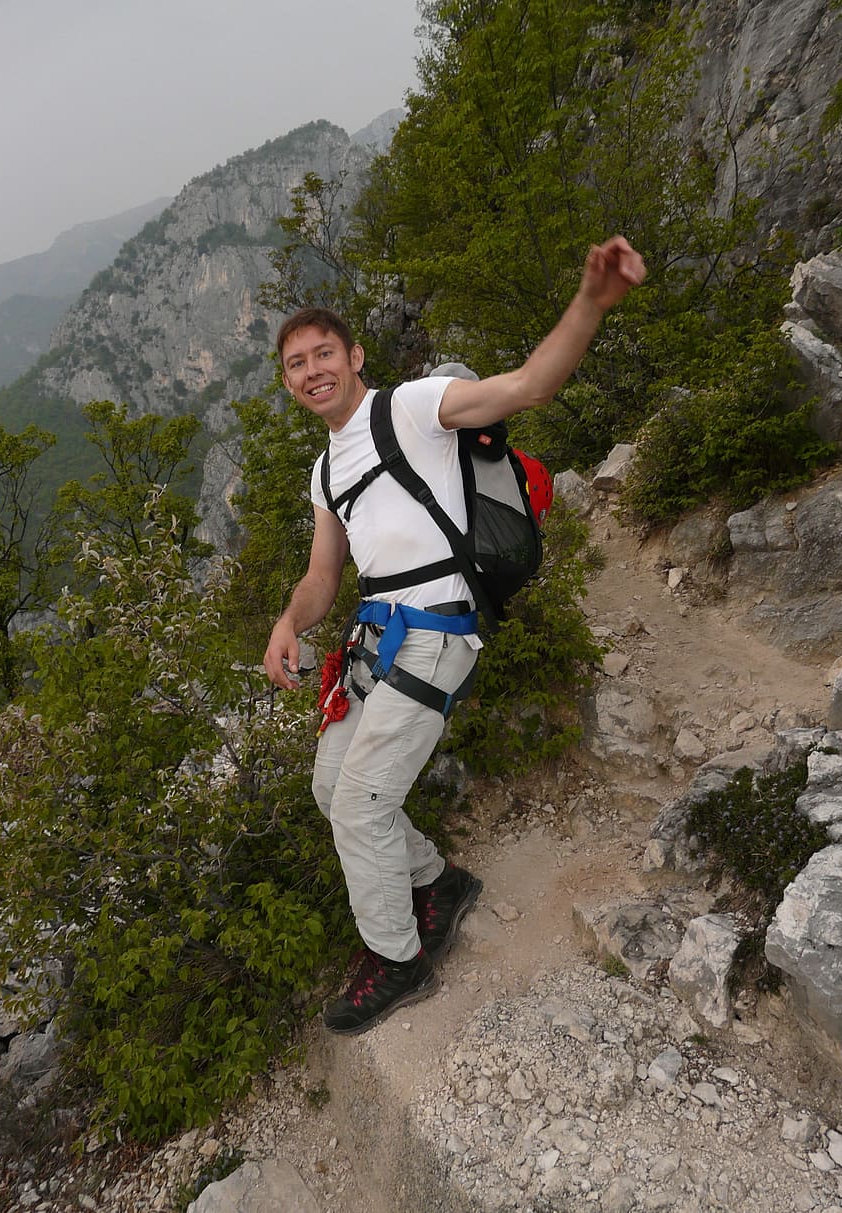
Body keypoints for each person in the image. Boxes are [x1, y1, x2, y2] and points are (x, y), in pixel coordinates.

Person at [264, 236, 646, 1035]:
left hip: (436, 634)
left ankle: (398, 959)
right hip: (380, 642)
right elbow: (322, 575)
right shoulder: (325, 470)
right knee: (332, 789)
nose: (311, 371)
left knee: (363, 805)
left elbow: (531, 386)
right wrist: (289, 621)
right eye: (295, 363)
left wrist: (590, 302)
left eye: (322, 352)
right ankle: (439, 884)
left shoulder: (410, 407)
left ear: (354, 354)